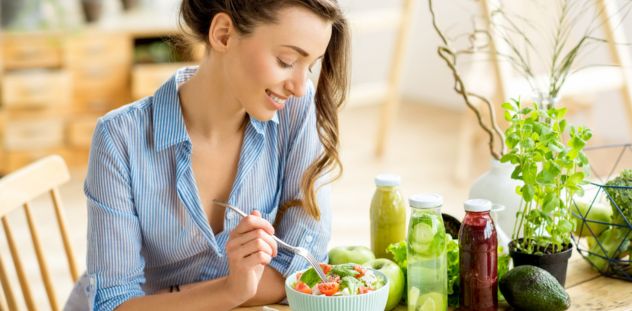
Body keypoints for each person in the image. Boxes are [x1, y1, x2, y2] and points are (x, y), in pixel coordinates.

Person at [63, 0, 349, 310]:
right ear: (224, 34)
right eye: (286, 60)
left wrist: (173, 297)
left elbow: (304, 268)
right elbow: (114, 304)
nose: (298, 85)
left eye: (310, 66)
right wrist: (230, 291)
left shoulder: (296, 109)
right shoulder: (120, 139)